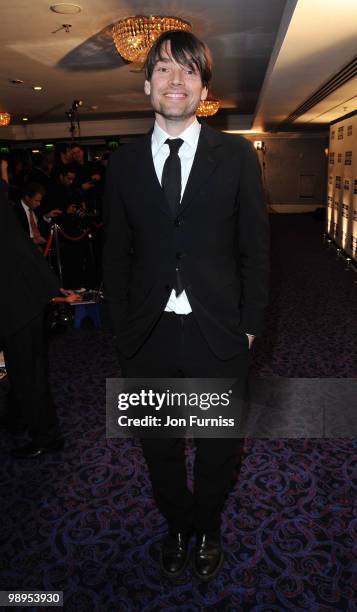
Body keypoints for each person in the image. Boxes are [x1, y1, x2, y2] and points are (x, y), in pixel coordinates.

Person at [103, 31, 269, 580]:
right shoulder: (123, 162)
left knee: (220, 445)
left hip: (217, 331)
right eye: (165, 70)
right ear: (148, 83)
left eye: (189, 72)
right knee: (160, 446)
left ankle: (208, 525)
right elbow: (116, 253)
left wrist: (249, 324)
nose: (176, 80)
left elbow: (256, 249)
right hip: (147, 335)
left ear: (203, 88)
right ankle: (178, 523)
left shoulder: (237, 155)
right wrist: (122, 330)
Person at [0, 169, 79, 458]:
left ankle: (46, 437)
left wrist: (54, 291)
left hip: (17, 304)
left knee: (28, 373)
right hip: (22, 300)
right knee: (25, 370)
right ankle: (18, 417)